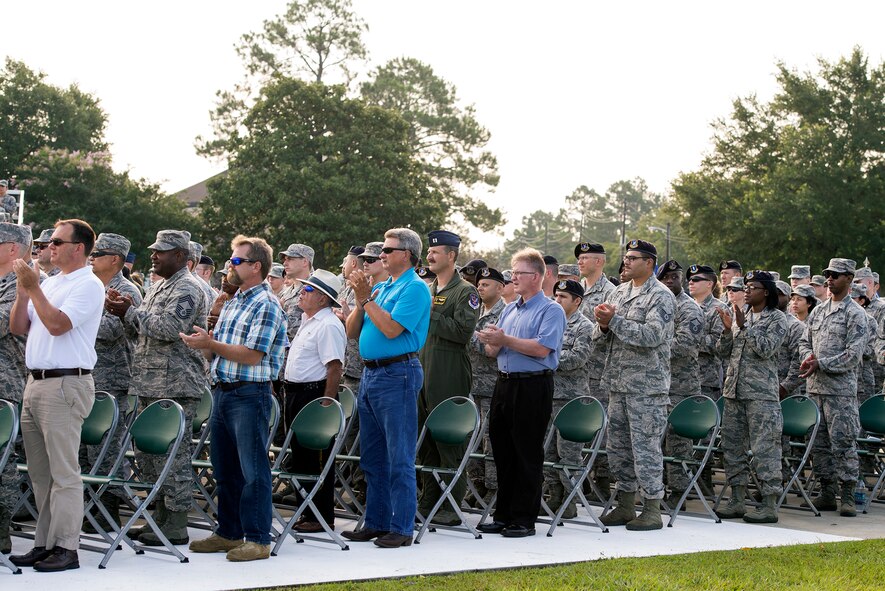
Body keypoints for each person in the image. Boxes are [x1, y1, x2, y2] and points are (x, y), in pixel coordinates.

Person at [9, 219, 104, 572]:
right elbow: (19, 328)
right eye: (48, 241)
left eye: (56, 241)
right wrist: (24, 292)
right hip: (36, 383)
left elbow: (57, 325)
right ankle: (45, 542)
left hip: (66, 383)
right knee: (40, 472)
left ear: (78, 248)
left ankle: (67, 547)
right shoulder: (51, 283)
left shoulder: (88, 285)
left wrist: (34, 288)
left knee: (64, 472)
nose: (49, 247)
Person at [185, 235, 287, 562]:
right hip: (224, 391)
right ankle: (229, 532)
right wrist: (205, 342)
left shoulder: (266, 304)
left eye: (237, 261)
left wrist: (210, 345)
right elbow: (223, 349)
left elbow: (253, 355)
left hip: (249, 394)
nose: (230, 265)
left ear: (256, 267)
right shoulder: (234, 300)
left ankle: (257, 539)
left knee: (253, 469)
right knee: (225, 468)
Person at [105, 229, 209, 546]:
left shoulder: (188, 288)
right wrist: (123, 312)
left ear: (180, 255)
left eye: (161, 252)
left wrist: (130, 311)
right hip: (150, 381)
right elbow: (143, 332)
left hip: (176, 384)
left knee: (172, 457)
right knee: (149, 456)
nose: (154, 256)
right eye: (153, 250)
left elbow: (168, 328)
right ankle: (158, 518)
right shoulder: (158, 287)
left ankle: (176, 523)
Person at [343, 228, 430, 549]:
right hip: (371, 374)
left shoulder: (415, 289)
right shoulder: (381, 288)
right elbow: (352, 332)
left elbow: (392, 330)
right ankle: (376, 521)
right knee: (373, 456)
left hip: (398, 373)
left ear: (406, 255)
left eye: (388, 251)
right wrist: (360, 299)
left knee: (399, 455)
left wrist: (366, 298)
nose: (381, 255)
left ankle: (402, 526)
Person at [475, 248, 566, 538]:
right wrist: (491, 341)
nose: (513, 278)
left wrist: (505, 340)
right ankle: (503, 514)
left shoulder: (551, 309)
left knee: (526, 452)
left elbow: (542, 349)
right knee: (502, 450)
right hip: (504, 383)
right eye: (512, 273)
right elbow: (494, 351)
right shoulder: (510, 309)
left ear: (536, 277)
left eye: (519, 273)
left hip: (532, 385)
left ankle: (525, 519)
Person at [593, 239, 675, 531]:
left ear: (649, 263)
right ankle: (626, 504)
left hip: (647, 387)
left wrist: (613, 322)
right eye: (625, 257)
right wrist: (602, 325)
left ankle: (652, 507)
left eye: (633, 258)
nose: (626, 262)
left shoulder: (661, 296)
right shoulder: (619, 291)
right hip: (618, 383)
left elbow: (651, 336)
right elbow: (601, 337)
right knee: (618, 448)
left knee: (646, 448)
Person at [416, 230, 480, 525]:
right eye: (429, 252)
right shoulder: (427, 288)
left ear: (452, 256)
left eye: (436, 252)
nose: (429, 256)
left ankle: (451, 505)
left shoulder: (465, 292)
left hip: (449, 374)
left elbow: (463, 333)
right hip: (424, 373)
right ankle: (430, 500)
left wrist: (432, 314)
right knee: (426, 441)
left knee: (449, 441)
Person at [81, 233, 143, 533]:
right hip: (85, 377)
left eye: (98, 253)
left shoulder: (126, 291)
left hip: (112, 380)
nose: (92, 257)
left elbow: (109, 332)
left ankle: (106, 512)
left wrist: (76, 320)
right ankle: (84, 509)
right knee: (82, 448)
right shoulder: (90, 286)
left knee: (104, 449)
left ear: (115, 260)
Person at [714, 271, 787, 523]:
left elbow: (765, 349)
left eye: (752, 287)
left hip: (761, 396)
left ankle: (769, 504)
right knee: (732, 447)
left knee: (765, 448)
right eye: (745, 287)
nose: (746, 291)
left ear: (765, 292)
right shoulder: (738, 317)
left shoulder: (777, 319)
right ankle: (737, 500)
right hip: (733, 392)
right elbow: (723, 352)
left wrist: (744, 326)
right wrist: (727, 330)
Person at [277, 269, 345, 533]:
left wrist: (325, 407)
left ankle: (322, 516)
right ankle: (306, 512)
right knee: (300, 458)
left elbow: (335, 368)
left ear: (322, 299)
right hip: (296, 393)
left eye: (308, 291)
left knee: (317, 459)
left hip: (314, 396)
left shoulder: (328, 324)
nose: (301, 293)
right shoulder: (310, 321)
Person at [798, 258, 867, 517]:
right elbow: (805, 341)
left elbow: (853, 354)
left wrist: (820, 363)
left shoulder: (856, 314)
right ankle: (826, 492)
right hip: (815, 389)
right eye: (828, 274)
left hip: (840, 392)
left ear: (849, 279)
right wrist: (807, 358)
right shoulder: (818, 311)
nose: (830, 279)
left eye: (836, 275)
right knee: (818, 443)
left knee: (843, 442)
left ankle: (847, 493)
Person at [545, 279, 594, 518]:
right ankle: (554, 494)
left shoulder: (585, 327)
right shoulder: (550, 321)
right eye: (556, 296)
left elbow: (578, 358)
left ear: (577, 301)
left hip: (571, 399)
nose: (557, 300)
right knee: (547, 451)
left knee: (569, 452)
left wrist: (546, 357)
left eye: (563, 297)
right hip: (548, 394)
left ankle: (571, 499)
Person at [656, 260, 703, 505]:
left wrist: (653, 347)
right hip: (658, 385)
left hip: (681, 386)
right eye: (666, 277)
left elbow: (685, 344)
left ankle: (679, 492)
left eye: (675, 276)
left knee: (678, 442)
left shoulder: (689, 308)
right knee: (657, 440)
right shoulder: (658, 303)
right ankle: (659, 488)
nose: (672, 280)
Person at [0, 223, 32, 554]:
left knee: (2, 463)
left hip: (5, 384)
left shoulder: (19, 285)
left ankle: (1, 527)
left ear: (12, 249)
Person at [574, 242, 615, 493]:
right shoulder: (575, 290)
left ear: (599, 261)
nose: (580, 261)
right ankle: (580, 480)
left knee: (601, 427)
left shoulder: (611, 292)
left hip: (599, 371)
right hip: (578, 373)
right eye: (579, 257)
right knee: (579, 426)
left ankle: (602, 479)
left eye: (586, 257)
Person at [466, 267, 506, 505]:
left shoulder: (505, 314)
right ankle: (476, 483)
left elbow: (493, 350)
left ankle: (493, 486)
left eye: (486, 284)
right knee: (471, 436)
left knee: (492, 438)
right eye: (479, 284)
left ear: (500, 288)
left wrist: (468, 336)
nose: (480, 287)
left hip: (492, 385)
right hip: (472, 382)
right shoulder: (475, 311)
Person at [688, 265, 728, 401]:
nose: (691, 282)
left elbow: (719, 344)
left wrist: (687, 340)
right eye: (690, 279)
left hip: (705, 382)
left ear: (710, 284)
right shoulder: (685, 306)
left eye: (697, 279)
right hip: (681, 380)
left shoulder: (720, 309)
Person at [775, 281, 805, 399]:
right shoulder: (761, 321)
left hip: (786, 394)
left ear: (788, 298)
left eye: (779, 294)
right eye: (773, 293)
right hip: (762, 390)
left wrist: (784, 388)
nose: (775, 297)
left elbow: (800, 363)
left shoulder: (795, 326)